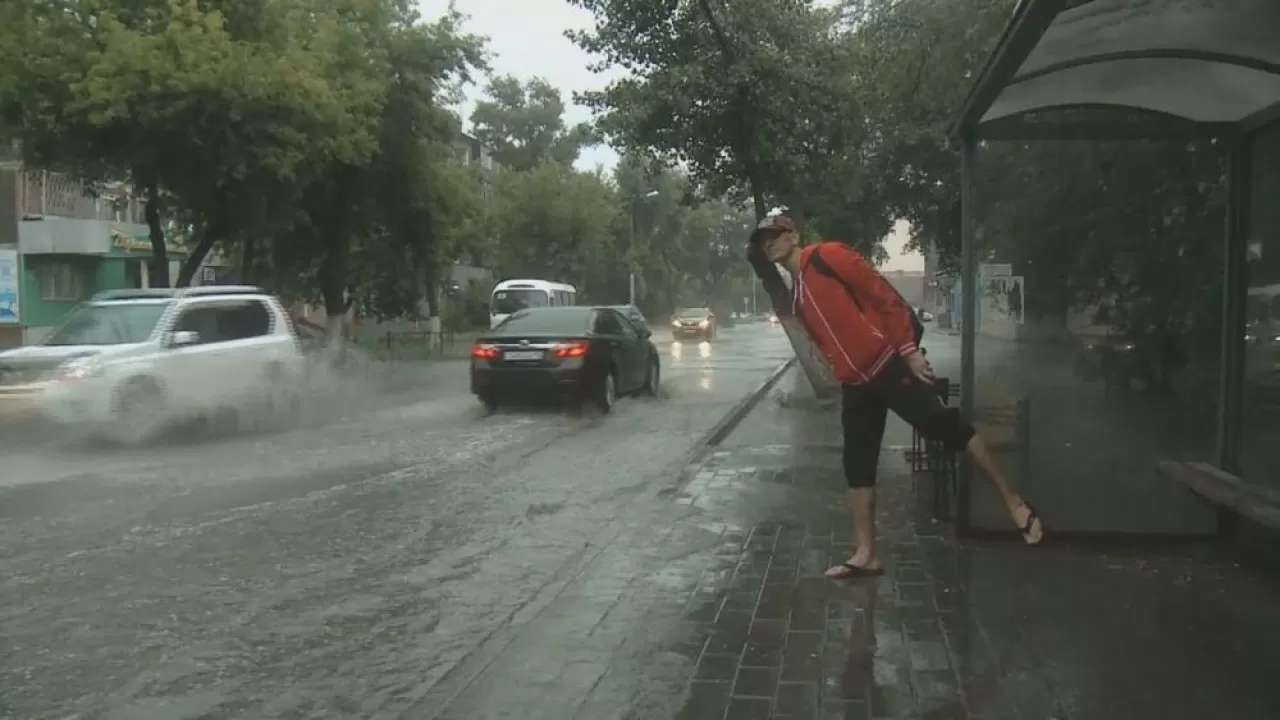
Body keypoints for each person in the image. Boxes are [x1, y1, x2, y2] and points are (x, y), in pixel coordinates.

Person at [748, 214, 1043, 579]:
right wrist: (839, 369)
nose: (769, 244)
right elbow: (825, 341)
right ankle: (866, 554)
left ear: (792, 235)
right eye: (763, 242)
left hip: (889, 366)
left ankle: (1012, 501)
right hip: (856, 386)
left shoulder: (827, 256)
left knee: (944, 428)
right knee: (857, 468)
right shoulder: (798, 295)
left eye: (774, 236)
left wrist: (908, 352)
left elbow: (883, 296)